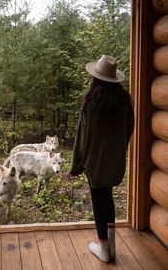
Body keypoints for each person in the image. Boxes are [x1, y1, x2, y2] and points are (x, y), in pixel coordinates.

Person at [70, 55, 134, 263]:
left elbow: (83, 135)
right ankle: (110, 246)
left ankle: (104, 248)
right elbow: (129, 130)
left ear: (96, 78)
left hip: (95, 162)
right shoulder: (124, 101)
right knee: (107, 197)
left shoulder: (92, 101)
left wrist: (77, 164)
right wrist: (119, 150)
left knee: (99, 199)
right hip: (115, 161)